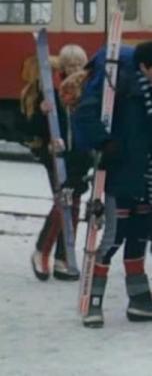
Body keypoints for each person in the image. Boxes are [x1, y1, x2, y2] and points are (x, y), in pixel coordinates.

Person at [75, 41, 152, 328]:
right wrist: (105, 142)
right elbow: (84, 115)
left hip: (146, 174)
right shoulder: (118, 87)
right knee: (113, 238)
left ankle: (140, 299)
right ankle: (93, 302)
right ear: (143, 66)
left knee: (140, 235)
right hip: (120, 174)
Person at [24, 44, 93, 281]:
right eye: (70, 65)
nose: (75, 69)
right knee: (64, 201)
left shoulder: (87, 90)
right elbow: (31, 128)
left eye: (79, 64)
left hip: (80, 154)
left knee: (73, 204)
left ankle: (64, 257)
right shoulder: (49, 91)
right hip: (57, 155)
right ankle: (43, 250)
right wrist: (43, 116)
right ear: (62, 67)